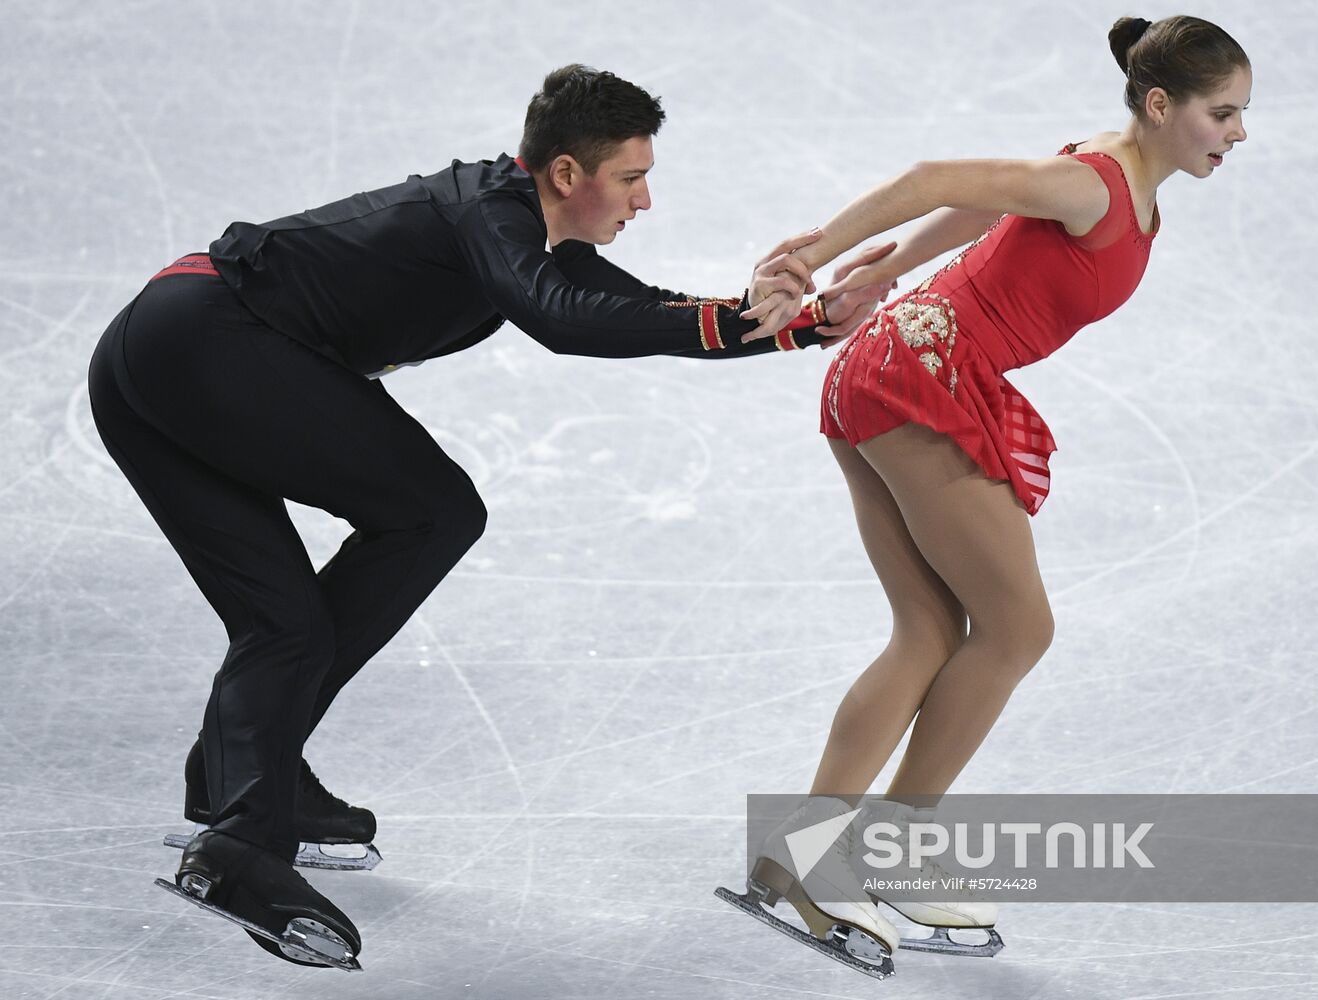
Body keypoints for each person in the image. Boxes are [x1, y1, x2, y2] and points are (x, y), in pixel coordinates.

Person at [88, 64, 892, 970]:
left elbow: (619, 302)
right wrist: (757, 320)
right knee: (432, 511)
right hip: (205, 339)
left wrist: (798, 322)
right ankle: (237, 849)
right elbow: (560, 319)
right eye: (630, 178)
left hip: (145, 357)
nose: (645, 200)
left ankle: (241, 782)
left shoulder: (523, 228)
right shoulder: (489, 215)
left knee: (286, 621)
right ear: (564, 175)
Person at [725, 15, 1251, 976]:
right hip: (923, 376)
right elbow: (933, 180)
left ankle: (801, 857)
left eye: (1241, 115)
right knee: (1015, 628)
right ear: (1161, 104)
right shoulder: (1092, 182)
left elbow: (981, 215)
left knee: (928, 630)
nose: (1236, 133)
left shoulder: (1107, 176)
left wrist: (881, 275)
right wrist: (814, 255)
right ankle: (872, 851)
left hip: (898, 367)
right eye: (1222, 113)